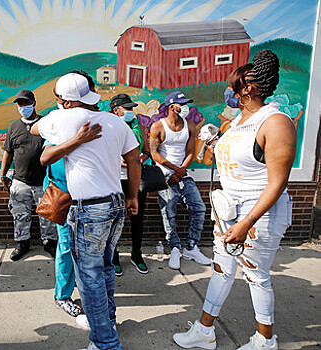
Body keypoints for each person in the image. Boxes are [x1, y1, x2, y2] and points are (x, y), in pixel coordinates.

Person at [173, 50, 295, 350]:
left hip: (257, 214)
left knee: (256, 276)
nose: (228, 91)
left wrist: (246, 222)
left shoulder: (276, 121)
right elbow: (243, 159)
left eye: (233, 86)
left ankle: (266, 340)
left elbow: (277, 182)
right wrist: (215, 141)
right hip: (228, 209)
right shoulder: (241, 120)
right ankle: (205, 331)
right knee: (221, 269)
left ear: (248, 88)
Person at [32, 72, 141, 350]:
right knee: (104, 269)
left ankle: (105, 342)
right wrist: (132, 197)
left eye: (58, 99)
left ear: (65, 101)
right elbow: (133, 159)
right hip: (116, 203)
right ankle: (108, 323)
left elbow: (37, 138)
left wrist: (73, 137)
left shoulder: (62, 119)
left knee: (90, 278)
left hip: (89, 209)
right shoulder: (116, 121)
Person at [39, 70, 101, 322]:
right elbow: (48, 158)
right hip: (65, 196)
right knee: (66, 247)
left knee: (87, 248)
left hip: (91, 196)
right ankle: (63, 295)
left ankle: (80, 286)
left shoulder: (98, 118)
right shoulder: (57, 122)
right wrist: (77, 140)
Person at [149, 91, 212, 270]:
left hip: (183, 174)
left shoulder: (190, 125)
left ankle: (191, 247)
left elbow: (190, 152)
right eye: (182, 104)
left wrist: (181, 171)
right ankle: (175, 248)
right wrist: (174, 170)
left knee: (199, 207)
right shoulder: (158, 127)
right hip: (165, 175)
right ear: (171, 107)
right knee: (169, 212)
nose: (186, 107)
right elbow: (154, 153)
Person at [0, 89, 57, 261]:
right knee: (20, 215)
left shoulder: (44, 125)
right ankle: (22, 243)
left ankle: (49, 243)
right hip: (20, 181)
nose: (23, 107)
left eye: (26, 103)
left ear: (34, 103)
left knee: (47, 215)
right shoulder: (14, 127)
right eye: (20, 104)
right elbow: (8, 153)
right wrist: (3, 175)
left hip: (43, 181)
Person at [110, 93, 151, 275]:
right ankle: (114, 257)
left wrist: (140, 157)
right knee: (115, 219)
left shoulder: (138, 126)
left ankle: (136, 254)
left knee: (137, 217)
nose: (131, 111)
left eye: (131, 108)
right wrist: (118, 160)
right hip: (115, 179)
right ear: (115, 110)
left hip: (136, 178)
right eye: (127, 108)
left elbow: (147, 150)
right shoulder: (108, 127)